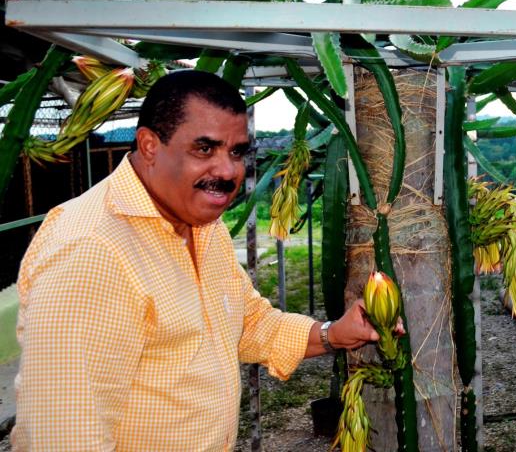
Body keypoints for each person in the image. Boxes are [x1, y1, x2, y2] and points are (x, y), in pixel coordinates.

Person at [13, 70, 384, 450]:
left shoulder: (202, 226)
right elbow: (63, 437)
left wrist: (333, 334)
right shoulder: (92, 250)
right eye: (204, 149)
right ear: (149, 146)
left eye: (237, 151)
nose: (228, 171)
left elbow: (246, 322)